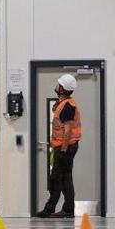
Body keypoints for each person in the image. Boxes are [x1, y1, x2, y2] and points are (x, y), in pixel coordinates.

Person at [35, 73, 82, 218]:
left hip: (65, 147)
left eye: (59, 84)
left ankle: (67, 210)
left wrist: (63, 150)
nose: (56, 86)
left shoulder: (68, 105)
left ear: (62, 89)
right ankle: (50, 208)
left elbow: (67, 130)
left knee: (65, 178)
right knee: (56, 178)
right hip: (61, 146)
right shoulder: (63, 103)